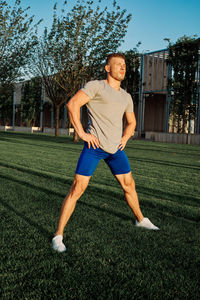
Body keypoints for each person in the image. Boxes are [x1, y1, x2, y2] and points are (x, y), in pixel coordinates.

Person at [52, 53, 159, 253]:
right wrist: (82, 133)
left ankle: (141, 219)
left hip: (115, 150)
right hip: (94, 148)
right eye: (118, 64)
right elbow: (72, 104)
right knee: (77, 189)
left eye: (124, 65)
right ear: (107, 68)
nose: (122, 68)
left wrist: (126, 138)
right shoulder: (96, 86)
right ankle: (58, 235)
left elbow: (132, 122)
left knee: (129, 185)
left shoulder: (126, 96)